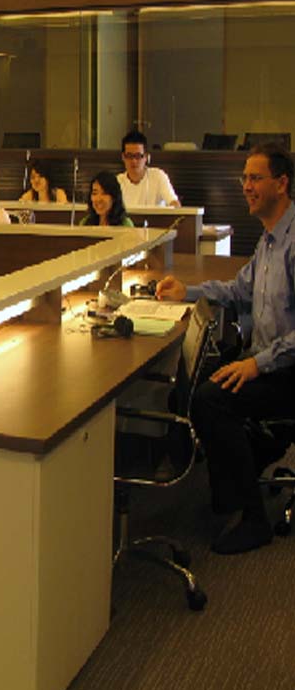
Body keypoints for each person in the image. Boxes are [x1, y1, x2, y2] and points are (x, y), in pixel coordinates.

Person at [156, 142, 295, 555]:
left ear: (281, 184)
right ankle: (232, 485)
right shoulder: (270, 240)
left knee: (210, 400)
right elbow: (239, 289)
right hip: (267, 360)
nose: (246, 186)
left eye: (255, 178)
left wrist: (256, 364)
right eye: (244, 178)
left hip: (286, 370)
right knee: (189, 384)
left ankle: (254, 519)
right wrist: (187, 291)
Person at [116, 130, 181, 208]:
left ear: (146, 157)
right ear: (123, 157)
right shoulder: (117, 182)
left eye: (138, 156)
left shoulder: (158, 176)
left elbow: (174, 203)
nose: (133, 161)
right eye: (129, 156)